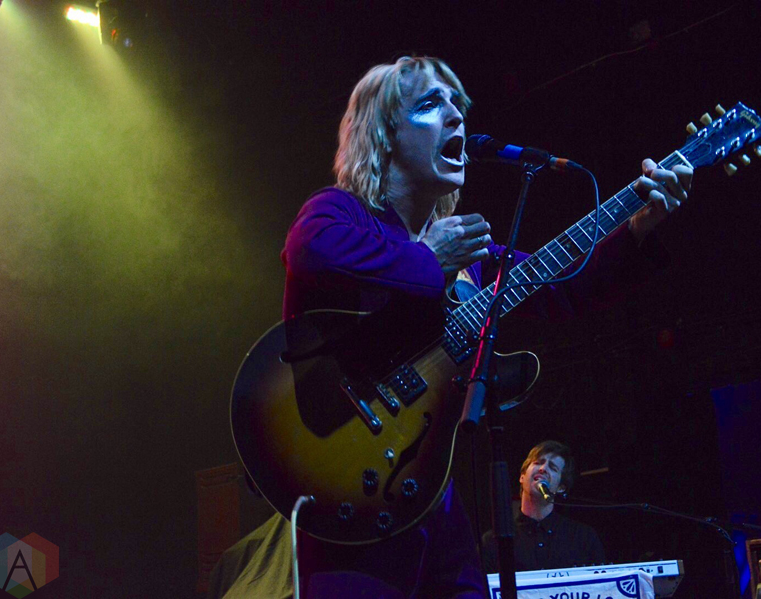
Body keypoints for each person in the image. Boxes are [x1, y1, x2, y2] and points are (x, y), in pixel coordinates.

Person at [279, 56, 691, 598]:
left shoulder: (469, 254)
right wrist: (427, 259)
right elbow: (309, 250)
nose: (456, 116)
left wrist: (638, 227)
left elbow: (563, 284)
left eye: (458, 105)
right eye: (431, 104)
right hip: (344, 486)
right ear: (383, 135)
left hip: (427, 490)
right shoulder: (340, 212)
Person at [481, 440, 604, 574]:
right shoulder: (493, 542)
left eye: (553, 468)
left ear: (561, 488)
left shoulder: (583, 538)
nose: (543, 468)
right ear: (522, 477)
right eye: (538, 462)